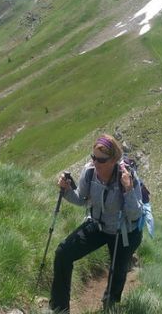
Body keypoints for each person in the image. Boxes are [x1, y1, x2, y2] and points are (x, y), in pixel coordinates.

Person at [50, 134, 144, 313]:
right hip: (98, 225)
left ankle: (110, 305)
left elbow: (135, 214)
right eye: (93, 157)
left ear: (114, 159)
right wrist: (67, 188)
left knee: (117, 271)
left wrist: (128, 190)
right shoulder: (90, 171)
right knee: (63, 253)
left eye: (101, 160)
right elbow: (81, 199)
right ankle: (59, 308)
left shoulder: (127, 177)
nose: (96, 162)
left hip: (124, 232)